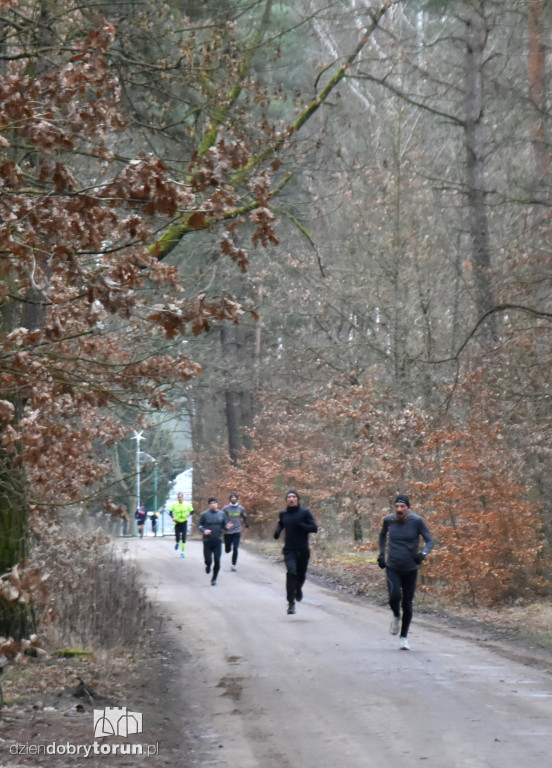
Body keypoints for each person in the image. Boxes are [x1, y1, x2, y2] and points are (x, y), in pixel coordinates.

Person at [378, 494, 434, 650]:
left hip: (410, 568)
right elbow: (382, 535)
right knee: (394, 596)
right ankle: (396, 615)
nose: (399, 509)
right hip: (393, 566)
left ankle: (404, 638)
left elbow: (430, 540)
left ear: (408, 508)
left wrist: (422, 555)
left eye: (402, 507)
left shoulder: (417, 521)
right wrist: (382, 554)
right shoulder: (388, 520)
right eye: (397, 506)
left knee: (407, 603)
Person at [273, 490, 318, 615]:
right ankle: (291, 603)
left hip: (303, 550)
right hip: (289, 550)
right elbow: (281, 523)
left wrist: (302, 525)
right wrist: (277, 531)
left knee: (301, 576)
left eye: (294, 497)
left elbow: (314, 528)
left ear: (297, 499)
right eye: (289, 497)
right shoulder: (283, 514)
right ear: (286, 500)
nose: (291, 499)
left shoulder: (304, 513)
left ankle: (298, 588)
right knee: (291, 572)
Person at [197, 498, 231, 586]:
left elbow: (224, 525)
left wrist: (227, 527)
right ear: (209, 505)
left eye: (215, 503)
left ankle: (214, 578)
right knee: (208, 560)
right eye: (211, 503)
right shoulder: (204, 514)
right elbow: (199, 524)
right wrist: (204, 530)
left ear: (217, 504)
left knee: (217, 560)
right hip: (207, 541)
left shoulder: (222, 514)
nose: (213, 504)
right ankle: (208, 566)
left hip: (217, 541)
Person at [222, 492, 249, 571]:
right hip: (228, 531)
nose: (233, 498)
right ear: (230, 499)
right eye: (232, 497)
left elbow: (244, 516)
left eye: (235, 497)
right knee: (228, 549)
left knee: (236, 548)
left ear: (237, 499)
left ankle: (233, 565)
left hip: (237, 530)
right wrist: (224, 525)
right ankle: (227, 548)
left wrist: (247, 523)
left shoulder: (240, 508)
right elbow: (221, 517)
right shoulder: (225, 508)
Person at [170, 492, 194, 558]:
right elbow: (170, 512)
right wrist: (173, 517)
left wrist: (189, 514)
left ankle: (182, 552)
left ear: (183, 497)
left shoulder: (187, 504)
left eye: (181, 497)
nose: (179, 498)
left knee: (184, 537)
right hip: (177, 523)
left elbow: (192, 511)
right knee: (177, 537)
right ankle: (177, 542)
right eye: (178, 497)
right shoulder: (175, 505)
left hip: (184, 522)